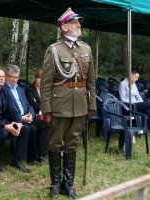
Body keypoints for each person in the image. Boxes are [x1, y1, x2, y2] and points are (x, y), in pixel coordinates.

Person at [40, 8, 96, 199]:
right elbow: (46, 84)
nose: (79, 25)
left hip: (80, 104)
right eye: (74, 22)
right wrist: (46, 109)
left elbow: (91, 81)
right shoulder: (54, 50)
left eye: (79, 22)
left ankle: (68, 185)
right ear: (64, 26)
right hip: (59, 105)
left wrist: (92, 106)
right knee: (55, 144)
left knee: (72, 144)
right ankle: (55, 184)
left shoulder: (86, 49)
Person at [4, 64, 49, 164]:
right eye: (12, 77)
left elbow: (28, 104)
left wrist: (31, 115)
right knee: (31, 128)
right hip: (13, 119)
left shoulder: (20, 89)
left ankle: (41, 154)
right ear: (6, 76)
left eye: (16, 77)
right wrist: (21, 118)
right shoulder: (3, 90)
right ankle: (31, 158)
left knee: (44, 122)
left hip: (27, 116)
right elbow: (8, 109)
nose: (14, 80)